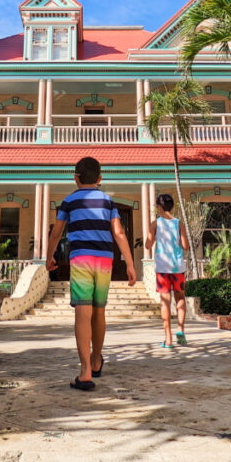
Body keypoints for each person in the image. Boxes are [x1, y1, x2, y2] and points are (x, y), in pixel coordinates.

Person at [47, 157, 136, 391]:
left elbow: (57, 231)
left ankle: (85, 372)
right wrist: (129, 263)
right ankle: (97, 361)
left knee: (82, 315)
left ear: (75, 178)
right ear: (100, 179)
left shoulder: (68, 201)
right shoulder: (108, 201)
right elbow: (118, 232)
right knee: (99, 312)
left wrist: (50, 256)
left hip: (81, 259)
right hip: (105, 260)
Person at [143, 193, 190, 348]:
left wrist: (155, 238)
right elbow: (186, 246)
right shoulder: (179, 223)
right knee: (180, 298)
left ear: (159, 207)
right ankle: (181, 330)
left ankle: (168, 338)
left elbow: (148, 245)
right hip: (178, 267)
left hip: (163, 268)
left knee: (165, 302)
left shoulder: (155, 223)